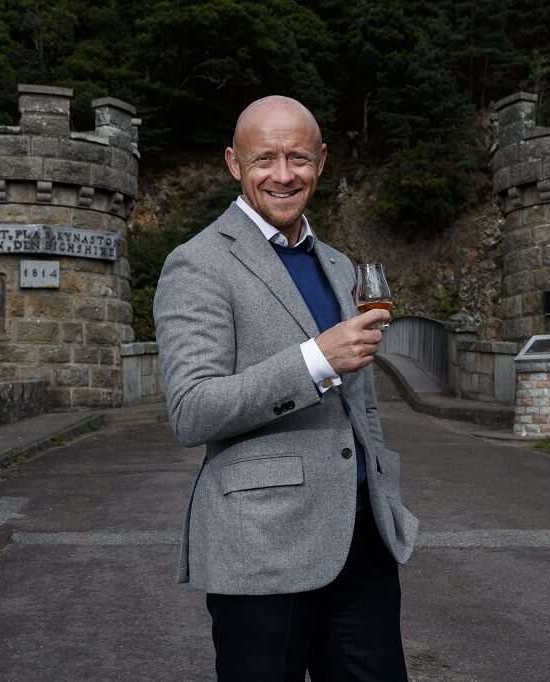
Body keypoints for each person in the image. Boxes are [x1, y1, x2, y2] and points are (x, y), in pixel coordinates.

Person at [153, 95, 418, 682]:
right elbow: (191, 410)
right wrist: (313, 361)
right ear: (232, 163)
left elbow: (362, 405)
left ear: (321, 162)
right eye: (263, 159)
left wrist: (385, 495)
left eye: (298, 158)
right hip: (261, 545)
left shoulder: (341, 265)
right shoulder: (196, 265)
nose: (282, 174)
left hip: (362, 542)